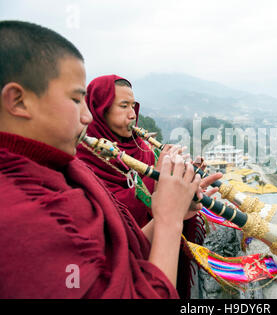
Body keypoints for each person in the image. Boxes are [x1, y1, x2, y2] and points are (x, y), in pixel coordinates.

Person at [0, 20, 207, 299]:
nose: (86, 117)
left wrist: (178, 209)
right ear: (18, 101)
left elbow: (127, 252)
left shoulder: (63, 170)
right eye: (75, 100)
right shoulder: (20, 219)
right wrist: (169, 221)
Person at [76, 74, 222, 298]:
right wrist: (159, 179)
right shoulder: (84, 159)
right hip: (125, 266)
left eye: (133, 106)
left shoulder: (142, 147)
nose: (133, 114)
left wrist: (184, 179)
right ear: (99, 110)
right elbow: (112, 216)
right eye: (123, 106)